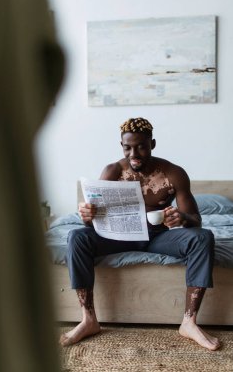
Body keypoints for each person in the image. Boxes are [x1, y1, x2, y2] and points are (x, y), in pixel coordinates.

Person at [59, 117, 220, 351]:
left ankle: (189, 322)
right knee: (77, 236)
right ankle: (88, 319)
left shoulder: (173, 173)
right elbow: (94, 226)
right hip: (117, 236)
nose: (134, 153)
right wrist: (88, 217)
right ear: (121, 146)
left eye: (141, 146)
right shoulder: (112, 171)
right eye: (128, 147)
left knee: (203, 237)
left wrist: (182, 219)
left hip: (159, 236)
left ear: (152, 144)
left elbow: (196, 220)